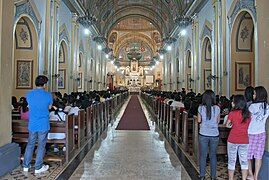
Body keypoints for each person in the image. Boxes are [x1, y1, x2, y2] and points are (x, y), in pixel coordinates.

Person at [22, 75, 53, 174]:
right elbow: (49, 107)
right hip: (43, 123)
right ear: (44, 84)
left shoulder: (29, 94)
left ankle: (25, 166)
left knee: (30, 144)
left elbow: (29, 106)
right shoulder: (48, 95)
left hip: (33, 123)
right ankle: (38, 167)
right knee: (41, 145)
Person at [226, 95, 251, 180]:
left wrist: (232, 124)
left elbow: (227, 125)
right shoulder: (248, 114)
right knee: (244, 161)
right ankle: (244, 179)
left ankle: (231, 179)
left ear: (236, 103)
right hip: (244, 140)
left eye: (233, 101)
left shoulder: (232, 113)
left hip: (233, 139)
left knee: (232, 161)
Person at [197, 90, 220, 180]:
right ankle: (213, 176)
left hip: (203, 133)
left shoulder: (200, 108)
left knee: (203, 155)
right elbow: (217, 121)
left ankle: (202, 175)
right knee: (213, 155)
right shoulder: (217, 108)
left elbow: (199, 120)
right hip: (214, 134)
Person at [247, 86, 269, 180]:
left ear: (259, 95)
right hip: (262, 133)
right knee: (258, 156)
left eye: (255, 93)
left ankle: (250, 174)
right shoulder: (266, 107)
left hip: (251, 133)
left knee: (248, 155)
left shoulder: (252, 106)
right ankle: (256, 176)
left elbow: (248, 119)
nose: (253, 95)